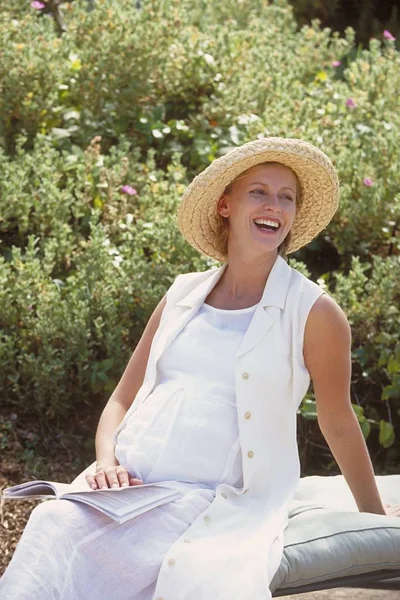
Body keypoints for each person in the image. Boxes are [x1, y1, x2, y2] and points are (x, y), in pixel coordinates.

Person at [1, 137, 398, 600]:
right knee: (53, 519)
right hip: (126, 485)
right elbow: (122, 399)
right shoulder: (181, 294)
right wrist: (106, 462)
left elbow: (337, 420)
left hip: (207, 500)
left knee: (87, 543)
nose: (275, 205)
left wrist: (372, 517)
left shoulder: (314, 313)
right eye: (259, 192)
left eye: (286, 197)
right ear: (226, 205)